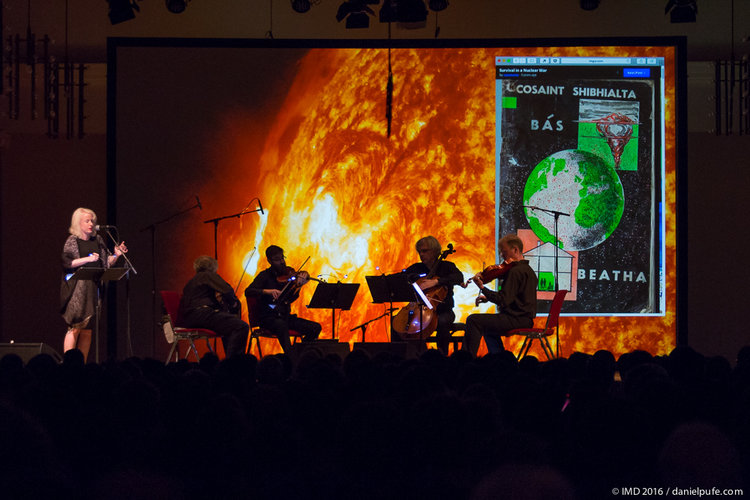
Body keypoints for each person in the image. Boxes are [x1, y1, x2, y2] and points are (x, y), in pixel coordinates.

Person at [60, 207, 128, 361]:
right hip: (77, 291)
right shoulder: (72, 240)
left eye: (92, 221)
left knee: (88, 330)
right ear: (78, 223)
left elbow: (105, 264)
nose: (91, 223)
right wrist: (87, 259)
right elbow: (67, 262)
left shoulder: (97, 240)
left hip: (93, 289)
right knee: (75, 328)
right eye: (87, 221)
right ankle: (68, 364)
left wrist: (116, 255)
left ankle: (81, 364)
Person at [463, 234, 538, 356]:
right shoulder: (528, 270)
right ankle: (500, 360)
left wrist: (482, 288)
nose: (502, 255)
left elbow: (503, 300)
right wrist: (488, 298)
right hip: (524, 319)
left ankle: (465, 360)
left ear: (515, 250)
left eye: (504, 251)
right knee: (488, 327)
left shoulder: (515, 271)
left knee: (473, 320)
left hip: (516, 319)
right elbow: (515, 296)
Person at [244, 245, 321, 353]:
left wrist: (298, 286)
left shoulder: (289, 275)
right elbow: (248, 291)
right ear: (269, 261)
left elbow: (289, 299)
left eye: (282, 258)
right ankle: (291, 356)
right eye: (277, 259)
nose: (282, 262)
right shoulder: (264, 276)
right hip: (268, 318)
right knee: (281, 325)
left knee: (315, 327)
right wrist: (267, 291)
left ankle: (299, 353)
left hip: (285, 317)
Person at [394, 236, 464, 354]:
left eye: (425, 251)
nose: (421, 254)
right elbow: (400, 278)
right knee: (396, 324)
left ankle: (442, 357)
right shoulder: (416, 268)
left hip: (443, 311)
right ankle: (401, 358)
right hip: (416, 310)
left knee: (441, 322)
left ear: (435, 251)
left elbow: (458, 277)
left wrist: (437, 281)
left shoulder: (447, 267)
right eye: (419, 251)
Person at [179, 255, 249, 358]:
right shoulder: (207, 275)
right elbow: (227, 290)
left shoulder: (191, 282)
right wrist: (233, 303)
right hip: (202, 314)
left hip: (190, 318)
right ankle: (234, 365)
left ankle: (229, 363)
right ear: (213, 267)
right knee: (241, 326)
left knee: (228, 327)